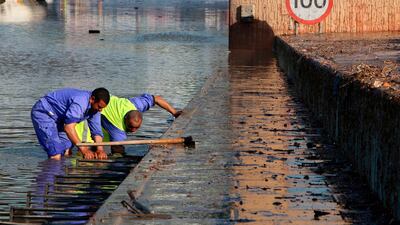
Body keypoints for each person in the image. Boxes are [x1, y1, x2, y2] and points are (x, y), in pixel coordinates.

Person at [76, 93, 181, 155]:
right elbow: (117, 150)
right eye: (130, 127)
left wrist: (175, 112)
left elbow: (157, 99)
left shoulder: (136, 105)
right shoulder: (118, 129)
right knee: (87, 147)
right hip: (85, 119)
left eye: (137, 128)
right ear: (125, 119)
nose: (133, 130)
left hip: (104, 108)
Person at [31, 88, 110, 160]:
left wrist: (100, 150)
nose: (100, 110)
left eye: (102, 108)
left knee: (67, 147)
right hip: (44, 113)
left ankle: (60, 170)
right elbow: (69, 128)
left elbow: (96, 132)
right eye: (99, 107)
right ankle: (52, 173)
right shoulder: (80, 102)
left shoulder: (96, 110)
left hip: (60, 119)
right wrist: (84, 149)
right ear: (92, 99)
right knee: (56, 151)